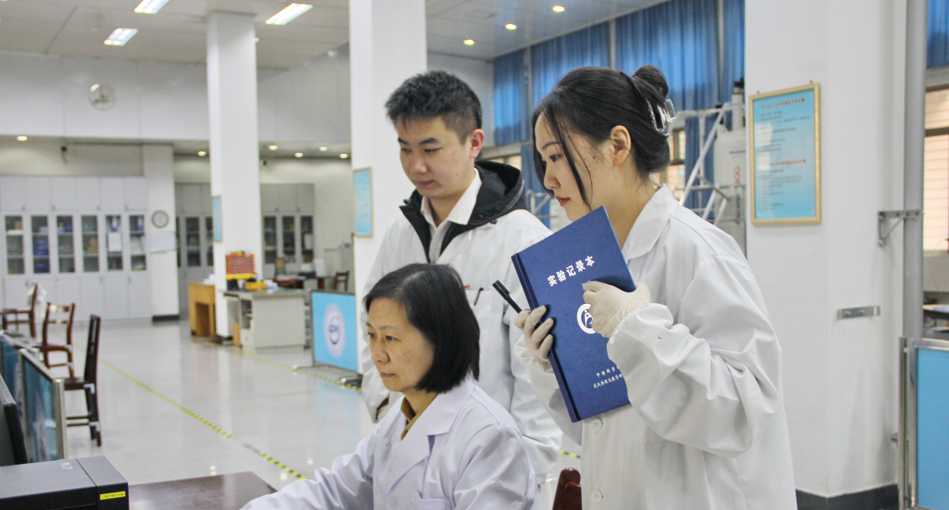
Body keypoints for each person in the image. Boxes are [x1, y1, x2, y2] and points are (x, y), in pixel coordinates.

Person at [514, 65, 797, 510]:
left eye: (556, 157)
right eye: (543, 162)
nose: (548, 180)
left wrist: (639, 330)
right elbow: (600, 427)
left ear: (618, 145)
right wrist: (556, 367)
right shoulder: (597, 258)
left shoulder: (699, 252)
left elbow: (745, 410)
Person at [359, 70, 561, 483]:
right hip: (405, 449)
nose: (416, 165)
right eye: (405, 148)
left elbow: (539, 370)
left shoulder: (522, 239)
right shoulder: (401, 233)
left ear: (474, 142)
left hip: (490, 465)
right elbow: (371, 326)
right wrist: (384, 406)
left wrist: (524, 469)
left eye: (430, 149)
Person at [243, 264, 539, 510]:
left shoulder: (489, 437)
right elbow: (337, 490)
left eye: (390, 338)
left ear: (441, 338)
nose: (377, 354)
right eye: (372, 335)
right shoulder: (400, 416)